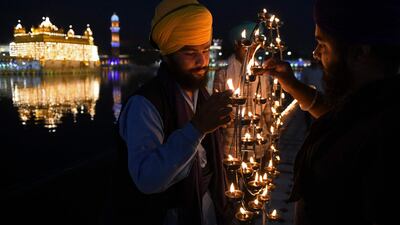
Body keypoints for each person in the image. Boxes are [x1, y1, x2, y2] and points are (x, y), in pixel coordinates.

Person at [263, 0, 399, 224]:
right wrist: (292, 85)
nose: (316, 54)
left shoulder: (386, 139)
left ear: (359, 53)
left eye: (323, 45)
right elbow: (341, 118)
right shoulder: (370, 104)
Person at [111, 0, 233, 225]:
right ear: (167, 55)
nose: (202, 61)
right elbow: (147, 179)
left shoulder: (201, 93)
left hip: (206, 208)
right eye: (189, 53)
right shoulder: (144, 105)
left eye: (205, 50)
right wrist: (197, 128)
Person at [213, 22, 271, 156]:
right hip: (232, 142)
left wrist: (273, 131)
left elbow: (267, 108)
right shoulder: (223, 73)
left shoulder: (263, 73)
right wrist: (227, 117)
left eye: (254, 46)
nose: (250, 49)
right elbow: (218, 107)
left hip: (259, 139)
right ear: (236, 45)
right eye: (246, 45)